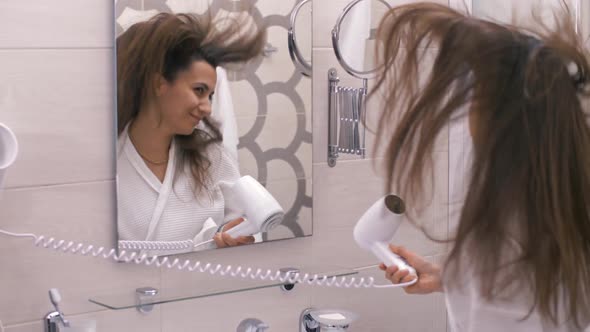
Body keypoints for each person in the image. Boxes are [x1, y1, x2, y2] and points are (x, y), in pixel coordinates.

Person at [373, 3, 590, 331]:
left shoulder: (502, 243)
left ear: (502, 120)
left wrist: (472, 279)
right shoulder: (565, 202)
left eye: (476, 98)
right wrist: (452, 279)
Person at [115, 12, 266, 255]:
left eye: (210, 96)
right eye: (198, 90)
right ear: (158, 83)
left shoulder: (211, 156)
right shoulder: (109, 164)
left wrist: (232, 236)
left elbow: (245, 225)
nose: (207, 107)